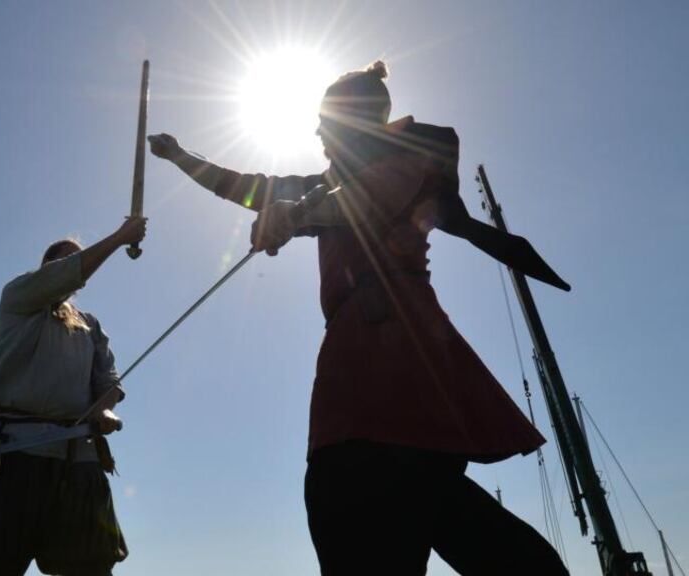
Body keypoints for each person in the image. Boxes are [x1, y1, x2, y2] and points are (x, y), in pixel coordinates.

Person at [150, 61, 568, 575]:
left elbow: (361, 202)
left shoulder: (414, 161)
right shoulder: (324, 186)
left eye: (326, 123)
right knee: (403, 492)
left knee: (373, 483)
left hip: (404, 351)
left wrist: (295, 213)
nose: (318, 134)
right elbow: (251, 186)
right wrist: (180, 157)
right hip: (352, 360)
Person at [0, 216, 147, 576]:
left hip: (77, 458)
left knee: (91, 566)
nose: (69, 267)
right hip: (9, 453)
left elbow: (108, 380)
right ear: (46, 269)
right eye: (62, 261)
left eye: (75, 259)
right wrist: (118, 239)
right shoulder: (19, 296)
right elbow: (73, 272)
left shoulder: (90, 324)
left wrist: (104, 410)